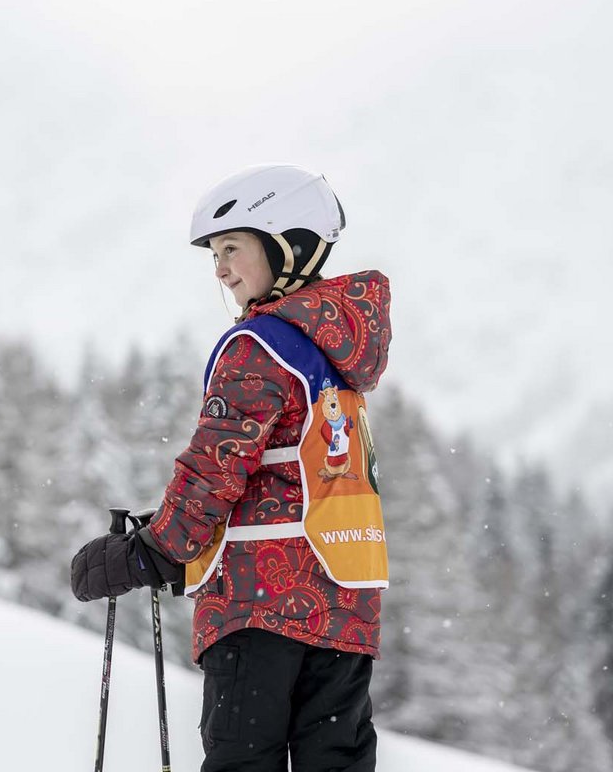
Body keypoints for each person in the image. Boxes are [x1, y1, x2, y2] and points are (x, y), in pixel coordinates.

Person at [70, 164, 392, 772]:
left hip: (260, 605)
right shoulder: (339, 355)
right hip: (344, 604)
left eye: (231, 248)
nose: (219, 269)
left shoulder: (260, 344)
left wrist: (156, 548)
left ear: (285, 244)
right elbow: (292, 475)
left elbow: (219, 463)